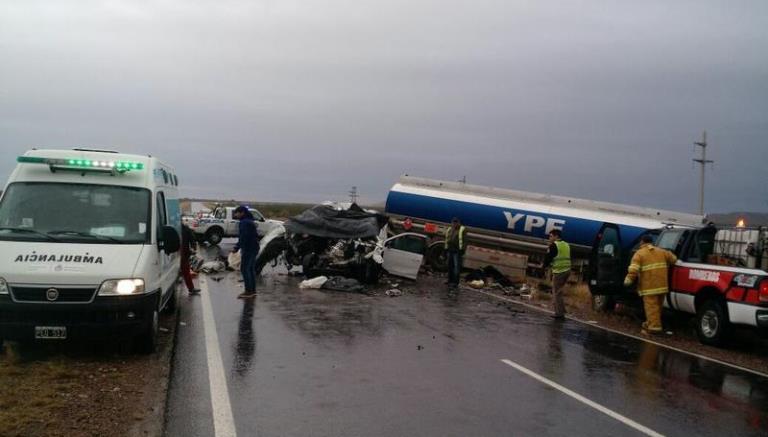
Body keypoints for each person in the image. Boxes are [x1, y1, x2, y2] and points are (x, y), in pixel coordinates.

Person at [624, 234, 677, 335]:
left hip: (649, 287)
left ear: (642, 242)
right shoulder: (662, 251)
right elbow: (674, 259)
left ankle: (654, 328)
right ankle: (650, 323)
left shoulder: (639, 254)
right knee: (657, 308)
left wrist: (628, 280)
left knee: (651, 308)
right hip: (662, 286)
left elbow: (634, 269)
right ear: (651, 241)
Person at [232, 206, 259, 299]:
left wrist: (236, 247)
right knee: (250, 269)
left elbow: (243, 237)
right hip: (254, 247)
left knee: (244, 269)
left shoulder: (244, 223)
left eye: (237, 213)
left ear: (242, 213)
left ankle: (248, 291)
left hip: (248, 248)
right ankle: (253, 290)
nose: (235, 215)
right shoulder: (250, 221)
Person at [543, 229, 571, 320]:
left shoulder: (554, 245)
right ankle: (562, 311)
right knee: (559, 291)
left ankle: (559, 313)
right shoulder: (566, 244)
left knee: (556, 292)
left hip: (559, 271)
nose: (549, 238)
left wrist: (543, 266)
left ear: (556, 236)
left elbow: (548, 258)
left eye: (551, 236)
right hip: (567, 270)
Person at [444, 217, 467, 288]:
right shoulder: (450, 229)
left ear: (459, 223)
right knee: (450, 266)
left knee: (456, 267)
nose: (454, 224)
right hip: (451, 250)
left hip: (457, 251)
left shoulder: (462, 229)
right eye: (453, 222)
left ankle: (455, 282)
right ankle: (450, 280)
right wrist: (445, 249)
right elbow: (447, 239)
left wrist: (462, 250)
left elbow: (465, 241)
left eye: (456, 222)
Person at [180, 224, 200, 294]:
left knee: (186, 271)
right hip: (179, 254)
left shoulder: (185, 229)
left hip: (182, 254)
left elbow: (191, 239)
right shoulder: (184, 228)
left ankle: (191, 289)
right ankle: (191, 289)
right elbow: (192, 239)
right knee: (186, 272)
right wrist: (193, 247)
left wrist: (193, 247)